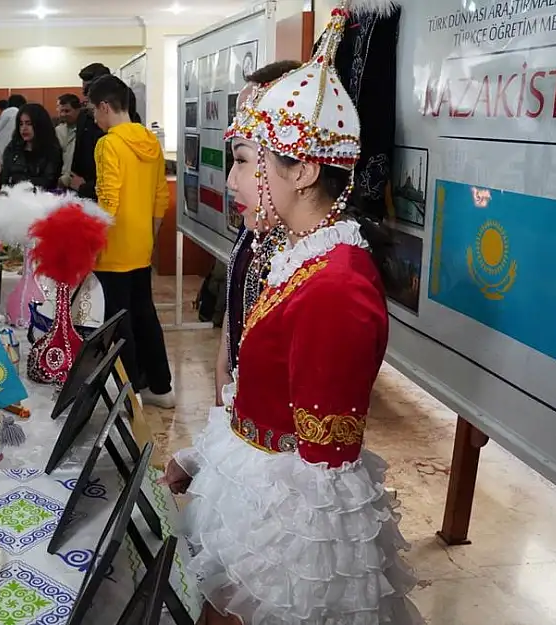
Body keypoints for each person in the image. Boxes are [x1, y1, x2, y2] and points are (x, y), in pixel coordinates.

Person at [160, 5, 421, 624]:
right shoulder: (301, 257)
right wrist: (201, 460)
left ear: (301, 171)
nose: (235, 180)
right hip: (256, 499)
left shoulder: (336, 288)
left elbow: (322, 484)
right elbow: (263, 398)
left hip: (284, 538)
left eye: (249, 162)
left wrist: (282, 586)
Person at [213, 60, 300, 406]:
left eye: (244, 159)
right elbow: (235, 299)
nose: (232, 180)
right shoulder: (257, 224)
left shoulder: (309, 253)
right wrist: (222, 369)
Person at [88, 75, 174, 408]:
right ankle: (161, 387)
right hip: (140, 245)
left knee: (117, 320)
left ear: (105, 106)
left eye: (94, 111)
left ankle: (130, 393)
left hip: (113, 246)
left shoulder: (109, 143)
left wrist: (93, 241)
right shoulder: (149, 140)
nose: (95, 119)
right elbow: (159, 196)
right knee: (144, 314)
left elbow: (107, 199)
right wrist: (149, 238)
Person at [69, 62, 141, 200]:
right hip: (85, 194)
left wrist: (87, 187)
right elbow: (78, 157)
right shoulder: (84, 117)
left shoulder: (129, 123)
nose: (86, 98)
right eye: (84, 92)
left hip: (112, 196)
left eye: (88, 91)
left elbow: (127, 170)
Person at [0, 102, 62, 191]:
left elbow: (48, 182)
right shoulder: (12, 148)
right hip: (13, 199)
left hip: (42, 200)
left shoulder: (52, 150)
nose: (24, 128)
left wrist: (17, 181)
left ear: (40, 124)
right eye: (21, 124)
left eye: (29, 123)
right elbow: (4, 180)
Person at [55, 93, 80, 188]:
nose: (63, 114)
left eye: (67, 111)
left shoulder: (86, 130)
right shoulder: (58, 130)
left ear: (77, 110)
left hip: (76, 181)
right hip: (59, 181)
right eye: (61, 111)